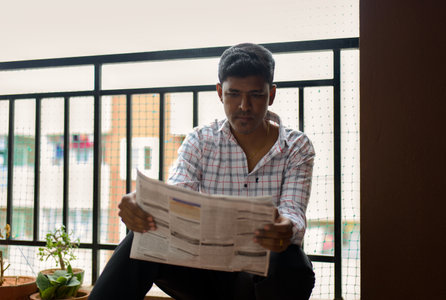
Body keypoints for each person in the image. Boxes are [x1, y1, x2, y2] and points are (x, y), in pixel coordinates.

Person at [89, 43, 315, 300]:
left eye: (255, 94)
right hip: (201, 271)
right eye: (233, 94)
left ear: (271, 94)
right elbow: (177, 193)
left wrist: (285, 227)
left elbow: (293, 212)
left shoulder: (296, 147)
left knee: (291, 260)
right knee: (144, 234)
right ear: (220, 92)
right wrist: (143, 203)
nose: (244, 106)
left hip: (258, 277)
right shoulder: (201, 139)